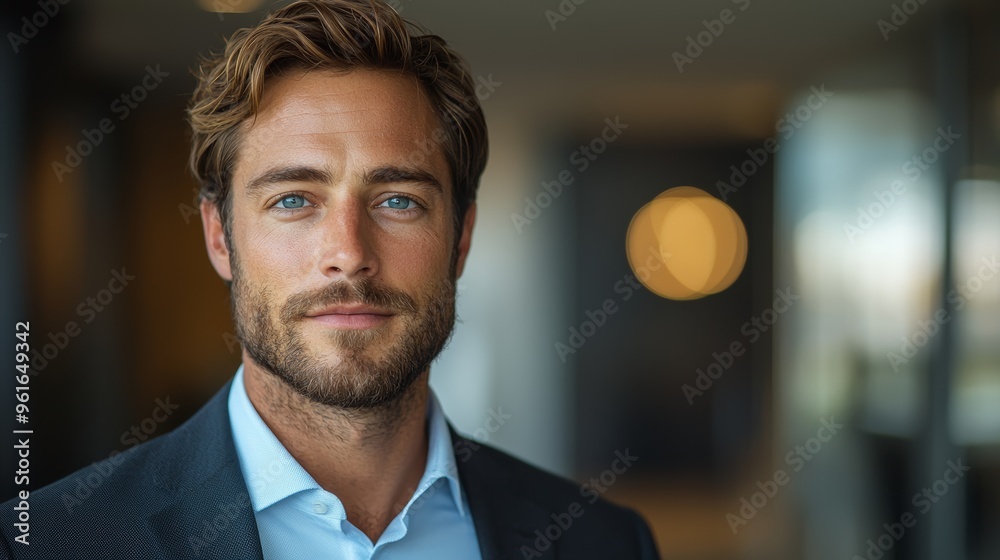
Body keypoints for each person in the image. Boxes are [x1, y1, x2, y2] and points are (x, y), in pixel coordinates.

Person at [1, 1, 660, 558]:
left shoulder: (605, 543)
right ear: (219, 237)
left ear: (460, 238)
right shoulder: (49, 541)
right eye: (294, 200)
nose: (348, 254)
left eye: (398, 200)